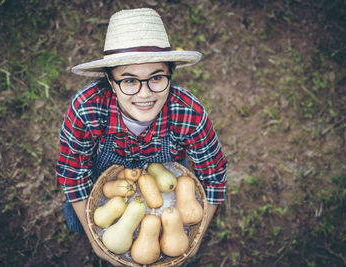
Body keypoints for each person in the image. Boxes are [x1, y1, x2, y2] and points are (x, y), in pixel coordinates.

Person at [56, 8, 227, 266]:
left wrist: (196, 238)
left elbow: (213, 175)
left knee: (175, 223)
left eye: (156, 77)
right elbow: (72, 172)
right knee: (77, 223)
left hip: (165, 188)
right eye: (129, 80)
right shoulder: (87, 109)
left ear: (171, 74)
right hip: (104, 189)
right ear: (111, 81)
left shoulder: (188, 111)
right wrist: (96, 242)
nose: (145, 94)